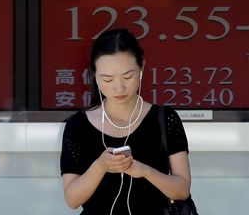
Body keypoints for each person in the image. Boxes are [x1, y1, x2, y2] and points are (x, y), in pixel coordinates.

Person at [60, 28, 192, 215]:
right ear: (94, 75)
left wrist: (145, 171)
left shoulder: (165, 118)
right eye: (108, 79)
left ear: (142, 68)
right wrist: (101, 166)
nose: (119, 87)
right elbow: (72, 199)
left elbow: (182, 189)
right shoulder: (78, 126)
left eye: (128, 76)